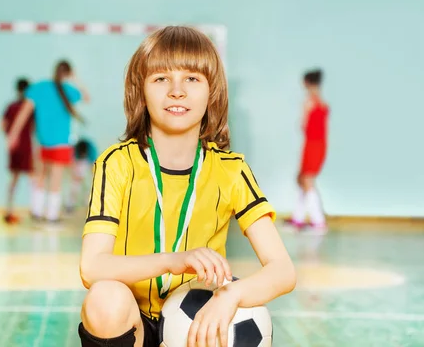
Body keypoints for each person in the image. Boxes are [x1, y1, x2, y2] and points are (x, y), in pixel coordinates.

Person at [78, 26, 296, 347]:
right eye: (161, 78)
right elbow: (92, 267)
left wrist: (230, 295)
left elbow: (283, 271)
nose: (176, 91)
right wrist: (174, 260)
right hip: (133, 323)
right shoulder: (117, 163)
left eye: (192, 78)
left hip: (194, 324)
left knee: (234, 312)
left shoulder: (231, 170)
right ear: (141, 91)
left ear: (212, 92)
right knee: (105, 298)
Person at [7, 60, 89, 223]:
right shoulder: (68, 89)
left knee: (40, 177)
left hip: (42, 142)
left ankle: (37, 212)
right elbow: (86, 97)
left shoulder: (38, 88)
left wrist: (13, 134)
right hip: (61, 143)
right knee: (56, 179)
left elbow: (23, 114)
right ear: (68, 74)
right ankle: (51, 216)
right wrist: (76, 78)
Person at [286, 68, 330, 232]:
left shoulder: (309, 102)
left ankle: (318, 221)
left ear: (307, 83)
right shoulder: (321, 102)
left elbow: (303, 126)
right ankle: (298, 218)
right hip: (318, 145)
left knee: (307, 180)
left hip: (312, 144)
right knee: (303, 180)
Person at [1, 78, 35, 224]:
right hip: (26, 146)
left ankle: (9, 210)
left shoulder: (11, 106)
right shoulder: (30, 107)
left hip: (14, 147)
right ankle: (36, 211)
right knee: (34, 177)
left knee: (14, 179)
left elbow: (3, 125)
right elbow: (33, 126)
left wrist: (10, 137)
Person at [65, 138, 98, 212]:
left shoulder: (92, 151)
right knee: (74, 186)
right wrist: (75, 175)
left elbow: (93, 166)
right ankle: (70, 204)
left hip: (88, 165)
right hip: (78, 166)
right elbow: (72, 164)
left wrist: (93, 177)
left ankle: (88, 205)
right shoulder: (75, 150)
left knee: (88, 185)